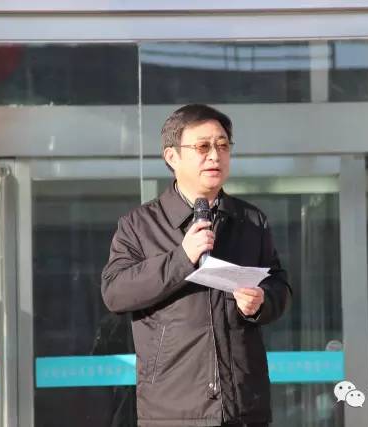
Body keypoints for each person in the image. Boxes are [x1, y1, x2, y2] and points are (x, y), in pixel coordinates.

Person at [101, 104, 291, 427]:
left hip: (243, 406)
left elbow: (279, 285)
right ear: (172, 156)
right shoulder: (139, 225)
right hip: (174, 409)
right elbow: (115, 292)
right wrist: (181, 258)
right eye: (203, 147)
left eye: (223, 145)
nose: (215, 156)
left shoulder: (250, 221)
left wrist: (262, 301)